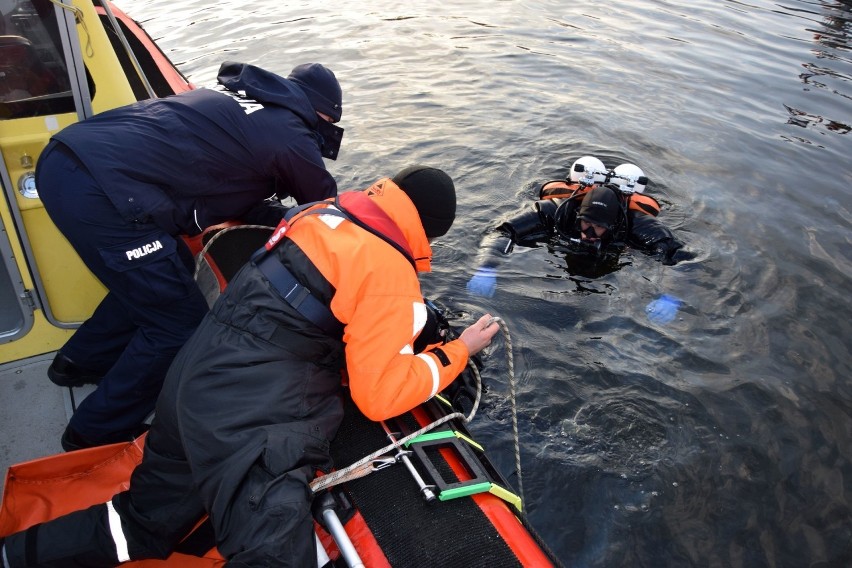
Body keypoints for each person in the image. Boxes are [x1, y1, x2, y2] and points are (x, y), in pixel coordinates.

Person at [0, 165, 500, 568]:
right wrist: (456, 352)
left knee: (140, 522)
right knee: (275, 554)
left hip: (193, 380)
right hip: (253, 420)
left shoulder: (320, 214)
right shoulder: (390, 272)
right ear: (428, 231)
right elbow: (378, 397)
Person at [37, 60, 345, 451]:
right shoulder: (291, 135)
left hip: (67, 160)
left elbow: (231, 177)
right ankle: (94, 432)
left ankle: (78, 364)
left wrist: (275, 215)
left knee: (163, 279)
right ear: (321, 113)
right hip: (106, 194)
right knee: (177, 326)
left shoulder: (241, 100)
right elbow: (326, 214)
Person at [467, 156, 688, 297]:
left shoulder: (635, 224)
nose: (588, 232)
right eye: (586, 223)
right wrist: (486, 269)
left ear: (612, 226)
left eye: (598, 227)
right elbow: (502, 232)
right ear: (578, 214)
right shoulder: (556, 211)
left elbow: (678, 257)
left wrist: (671, 296)